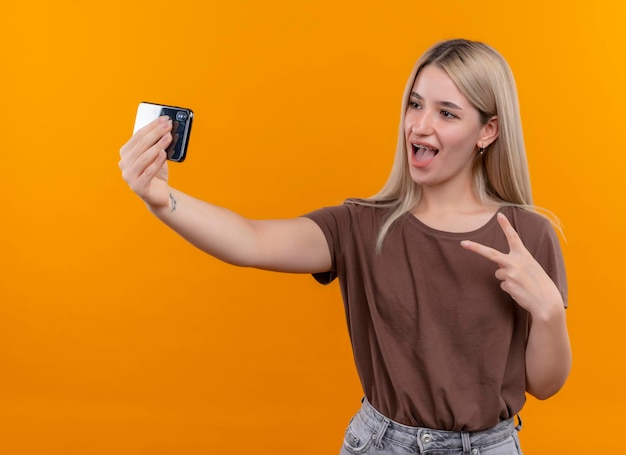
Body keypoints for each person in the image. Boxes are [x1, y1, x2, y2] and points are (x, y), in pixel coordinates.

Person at [119, 39, 571, 455]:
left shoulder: (527, 236)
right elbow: (251, 241)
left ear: (488, 131)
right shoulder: (360, 226)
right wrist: (162, 199)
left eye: (447, 113)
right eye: (415, 104)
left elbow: (544, 385)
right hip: (381, 444)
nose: (419, 125)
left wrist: (549, 312)